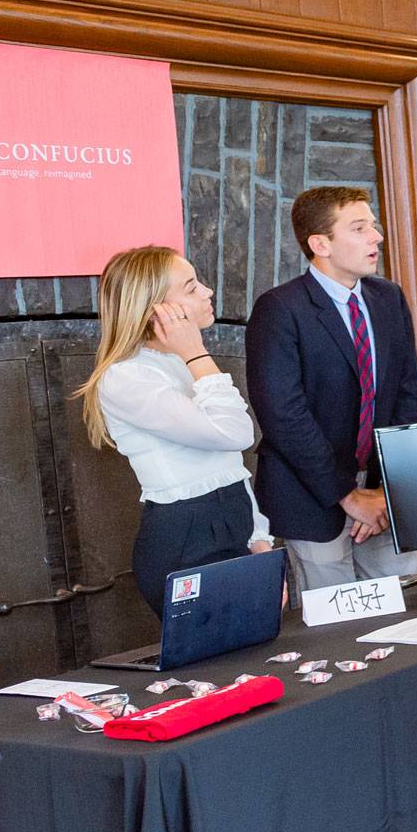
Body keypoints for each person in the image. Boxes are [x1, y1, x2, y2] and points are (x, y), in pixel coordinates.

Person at [74, 247, 273, 618]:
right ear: (156, 309)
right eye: (191, 286)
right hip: (185, 540)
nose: (208, 292)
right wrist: (196, 353)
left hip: (234, 523)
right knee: (217, 670)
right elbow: (237, 434)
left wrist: (258, 540)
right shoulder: (127, 376)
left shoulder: (182, 361)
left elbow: (230, 465)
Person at [247, 188, 417, 591]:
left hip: (384, 492)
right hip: (313, 494)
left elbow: (407, 393)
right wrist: (348, 495)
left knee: (412, 604)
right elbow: (283, 415)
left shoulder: (389, 298)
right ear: (320, 244)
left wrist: (384, 489)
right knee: (337, 627)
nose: (376, 237)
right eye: (359, 228)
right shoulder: (280, 309)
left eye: (374, 226)